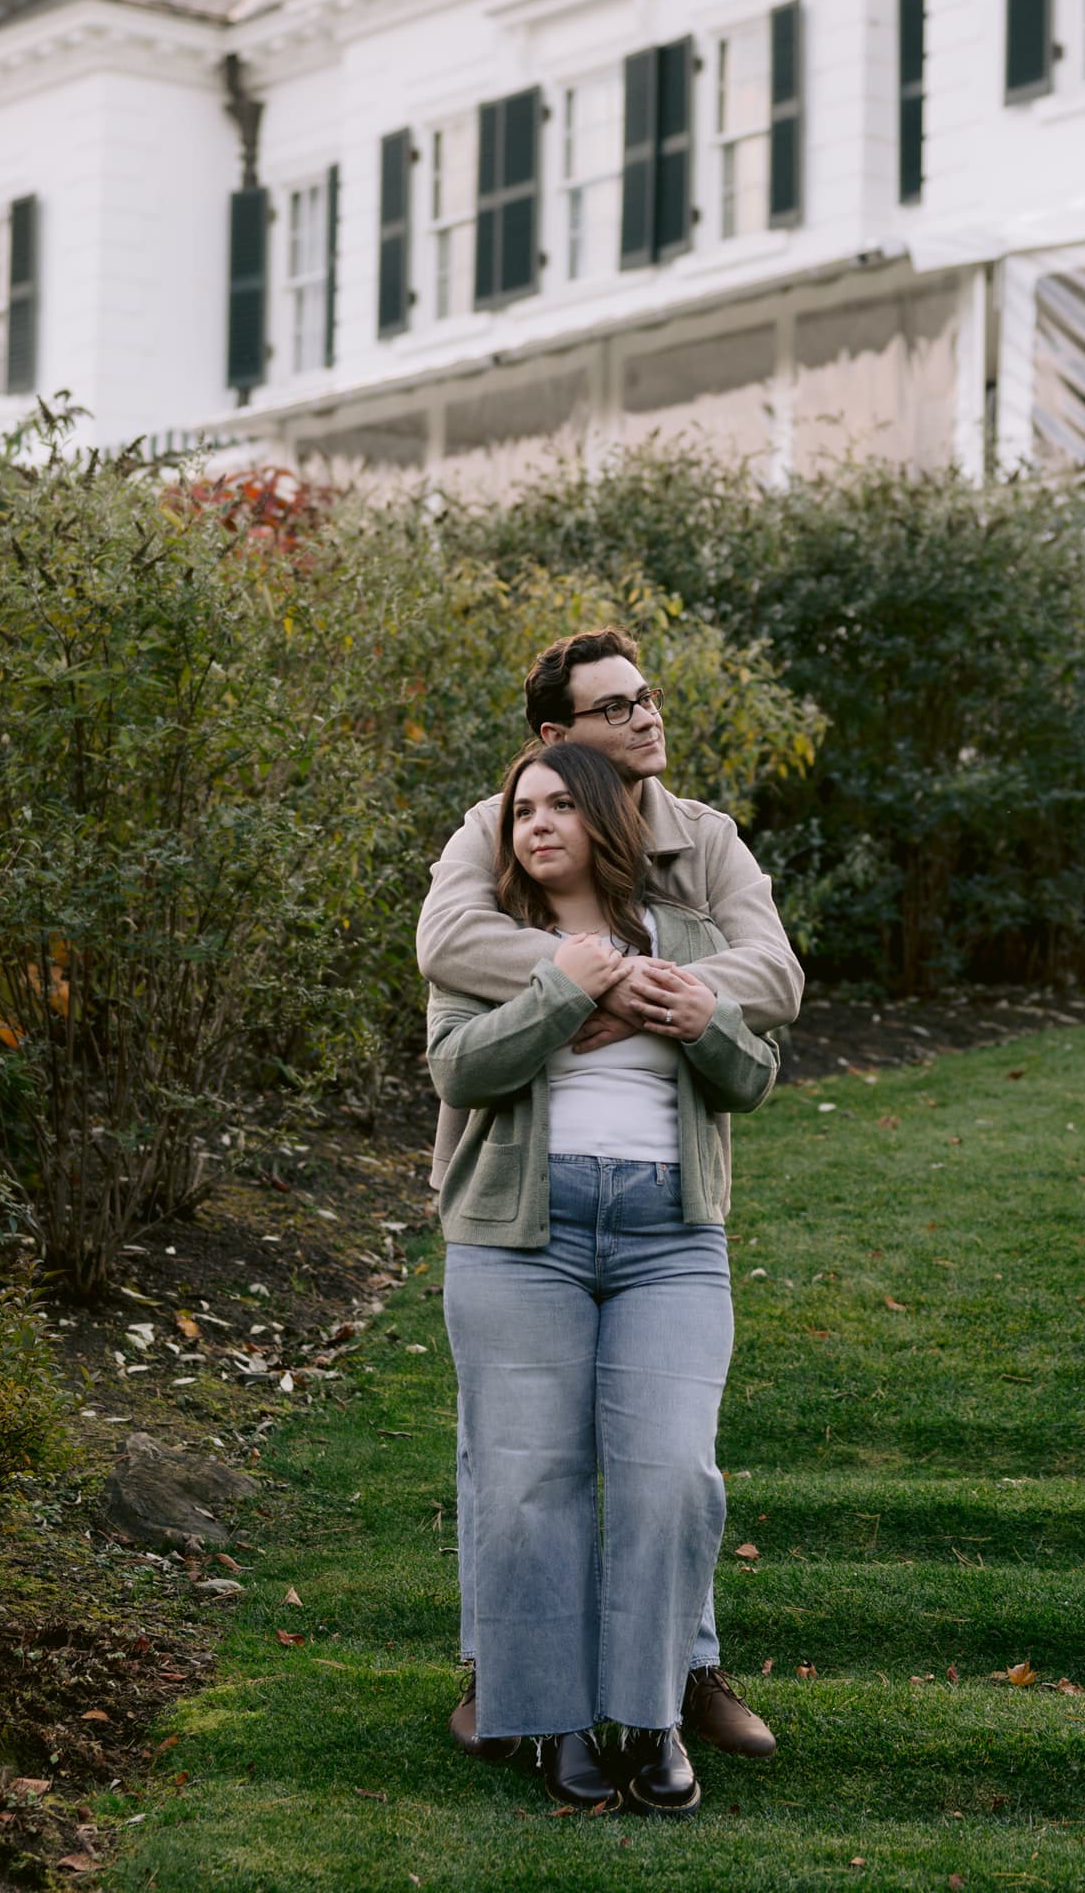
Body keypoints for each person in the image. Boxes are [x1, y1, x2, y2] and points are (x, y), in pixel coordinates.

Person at [416, 628, 797, 1768]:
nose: (645, 720)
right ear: (555, 740)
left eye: (648, 698)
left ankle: (679, 1674)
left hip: (662, 1216)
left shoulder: (703, 842)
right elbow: (446, 943)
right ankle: (516, 1682)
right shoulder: (500, 828)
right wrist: (565, 976)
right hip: (518, 1208)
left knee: (668, 1462)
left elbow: (773, 977)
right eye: (614, 708)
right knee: (515, 1461)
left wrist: (640, 985)